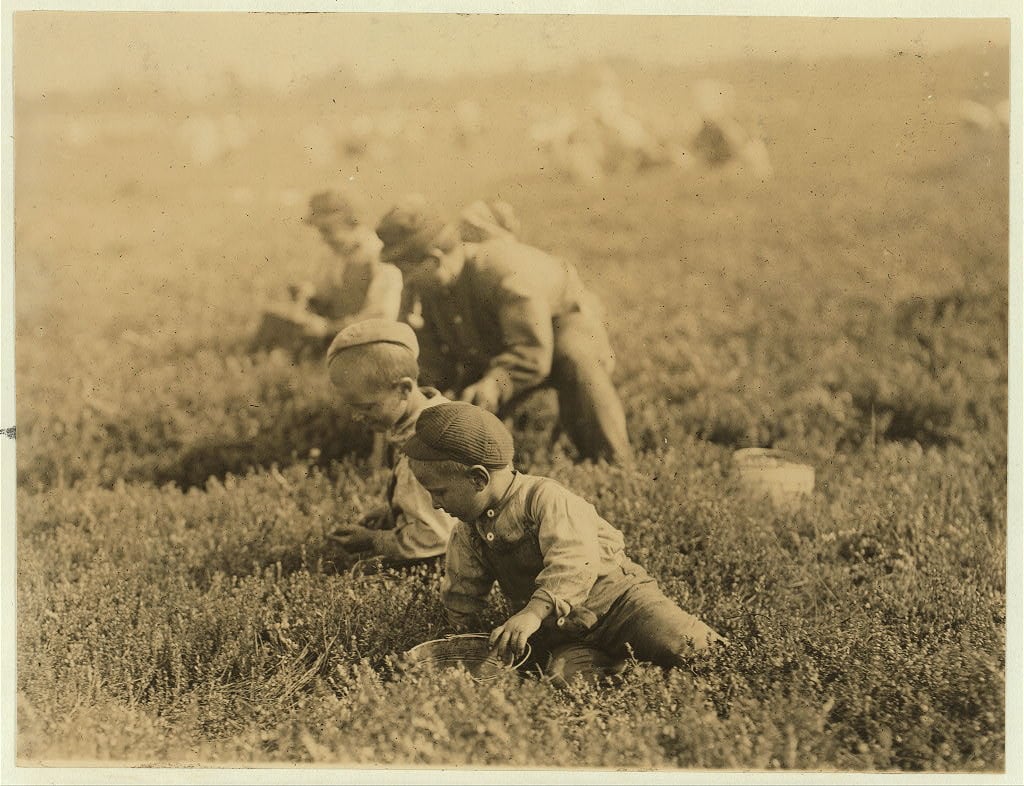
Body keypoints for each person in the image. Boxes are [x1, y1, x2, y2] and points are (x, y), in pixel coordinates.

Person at [403, 401, 724, 686]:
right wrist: (459, 644)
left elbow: (573, 561)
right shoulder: (468, 532)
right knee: (564, 677)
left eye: (439, 492)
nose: (434, 504)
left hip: (622, 604)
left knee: (686, 646)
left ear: (478, 479)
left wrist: (531, 613)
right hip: (567, 631)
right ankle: (626, 667)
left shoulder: (545, 499)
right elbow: (462, 591)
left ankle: (731, 662)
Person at [375, 193, 633, 466]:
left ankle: (611, 461)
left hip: (561, 323)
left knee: (575, 359)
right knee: (465, 407)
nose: (405, 280)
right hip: (494, 338)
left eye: (406, 270)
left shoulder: (503, 271)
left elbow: (532, 353)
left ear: (435, 259)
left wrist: (495, 384)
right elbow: (429, 364)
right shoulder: (428, 287)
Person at [323, 319, 458, 568]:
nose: (356, 416)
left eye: (366, 407)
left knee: (358, 573)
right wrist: (391, 514)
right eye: (352, 407)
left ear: (404, 389)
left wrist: (374, 540)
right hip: (451, 539)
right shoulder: (432, 414)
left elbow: (435, 536)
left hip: (454, 557)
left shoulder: (425, 445)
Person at [249, 188, 403, 359]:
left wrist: (328, 328)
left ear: (351, 222)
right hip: (334, 328)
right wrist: (309, 294)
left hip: (366, 338)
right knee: (274, 316)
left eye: (327, 230)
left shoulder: (378, 256)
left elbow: (381, 317)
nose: (323, 238)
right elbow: (326, 293)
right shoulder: (334, 252)